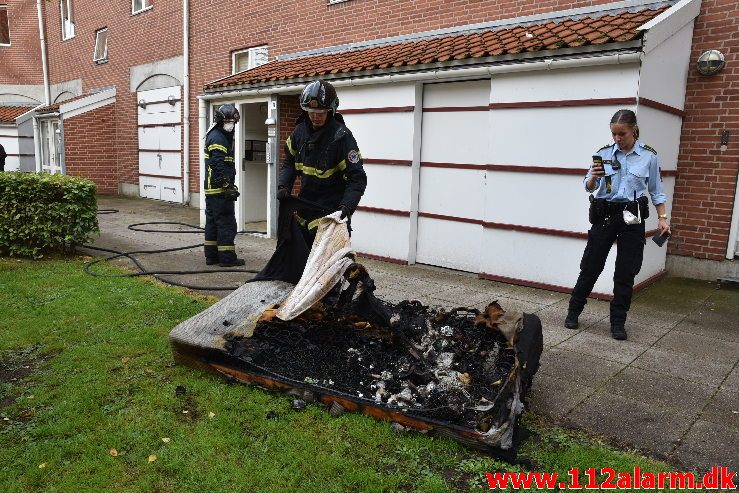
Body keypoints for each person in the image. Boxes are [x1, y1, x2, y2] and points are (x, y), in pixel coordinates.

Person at [564, 109, 671, 340]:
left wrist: (662, 218)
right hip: (606, 215)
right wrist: (594, 176)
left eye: (621, 133)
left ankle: (617, 323)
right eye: (613, 134)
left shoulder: (649, 156)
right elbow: (588, 186)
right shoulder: (602, 154)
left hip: (633, 218)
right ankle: (573, 311)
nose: (617, 139)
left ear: (633, 130)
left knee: (625, 272)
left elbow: (656, 191)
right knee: (591, 265)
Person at [277, 79, 367, 245]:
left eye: (320, 112)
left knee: (328, 266)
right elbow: (289, 162)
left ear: (331, 110)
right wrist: (284, 186)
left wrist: (346, 207)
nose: (315, 117)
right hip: (305, 208)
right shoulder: (299, 133)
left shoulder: (341, 137)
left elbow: (357, 178)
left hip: (332, 213)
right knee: (302, 264)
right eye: (310, 112)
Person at [203, 103, 245, 267]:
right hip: (219, 189)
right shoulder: (218, 137)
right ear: (221, 121)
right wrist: (227, 184)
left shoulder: (216, 135)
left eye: (232, 121)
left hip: (212, 189)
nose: (231, 124)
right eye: (228, 121)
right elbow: (218, 163)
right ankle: (227, 258)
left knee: (213, 223)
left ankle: (212, 257)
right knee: (226, 222)